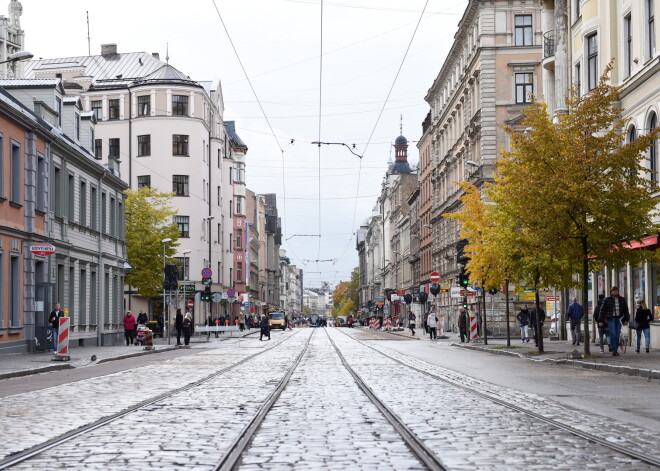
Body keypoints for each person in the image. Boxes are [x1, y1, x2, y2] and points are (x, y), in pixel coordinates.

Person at [601, 286, 630, 356]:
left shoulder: (622, 300)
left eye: (616, 290)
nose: (615, 292)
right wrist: (600, 320)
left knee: (617, 335)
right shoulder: (607, 299)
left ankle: (615, 350)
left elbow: (626, 310)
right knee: (613, 333)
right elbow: (602, 310)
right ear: (611, 292)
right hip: (611, 319)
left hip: (619, 319)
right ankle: (613, 350)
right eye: (614, 291)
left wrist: (626, 319)